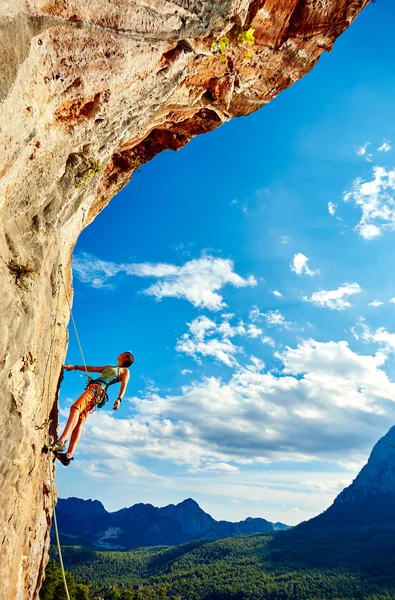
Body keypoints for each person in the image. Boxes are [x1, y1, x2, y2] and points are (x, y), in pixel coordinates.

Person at [51, 351, 134, 466]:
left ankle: (62, 441)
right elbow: (92, 368)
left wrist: (119, 399)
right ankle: (68, 455)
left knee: (75, 408)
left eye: (122, 354)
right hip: (96, 391)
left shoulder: (125, 371)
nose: (119, 354)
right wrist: (74, 367)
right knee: (79, 420)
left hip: (96, 390)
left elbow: (124, 384)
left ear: (125, 358)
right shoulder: (110, 367)